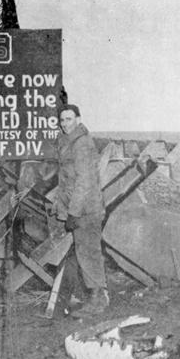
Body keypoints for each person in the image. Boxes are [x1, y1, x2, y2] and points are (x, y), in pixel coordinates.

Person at [53, 104, 108, 316]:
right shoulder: (68, 141)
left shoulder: (81, 144)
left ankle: (98, 301)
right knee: (82, 252)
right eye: (62, 120)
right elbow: (67, 179)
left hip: (85, 210)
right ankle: (87, 296)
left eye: (69, 119)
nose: (65, 124)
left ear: (78, 119)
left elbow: (84, 182)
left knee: (89, 253)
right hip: (77, 207)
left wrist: (73, 213)